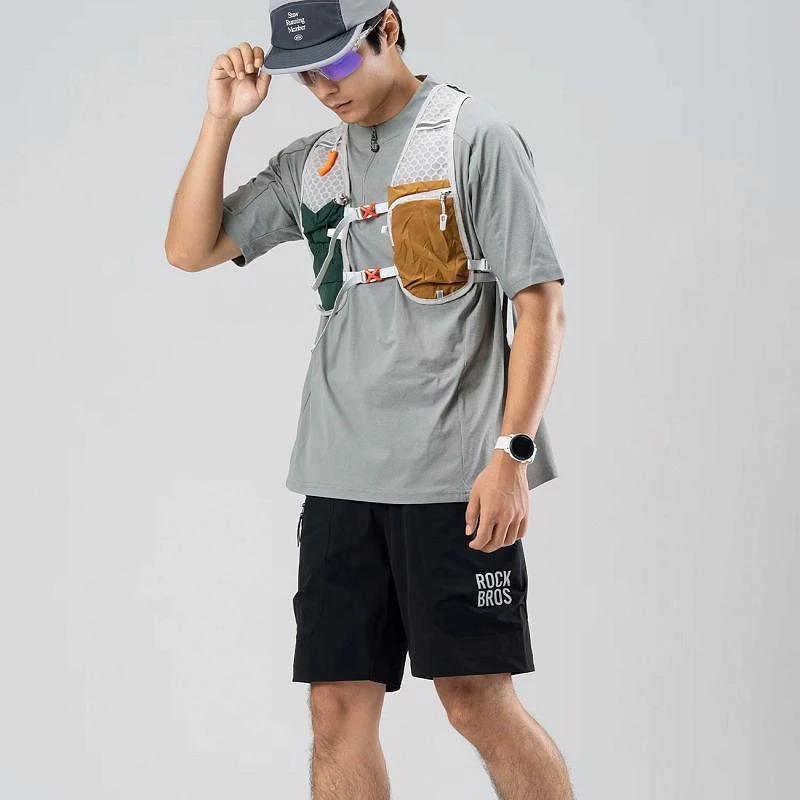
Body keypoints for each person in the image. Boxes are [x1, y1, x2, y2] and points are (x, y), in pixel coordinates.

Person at [165, 2, 573, 798]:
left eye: (338, 61)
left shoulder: (475, 136)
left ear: (387, 26)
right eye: (306, 75)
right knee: (336, 710)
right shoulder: (314, 163)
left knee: (476, 702)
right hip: (339, 477)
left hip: (455, 477)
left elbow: (541, 305)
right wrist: (221, 121)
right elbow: (190, 248)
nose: (325, 87)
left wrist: (511, 457)